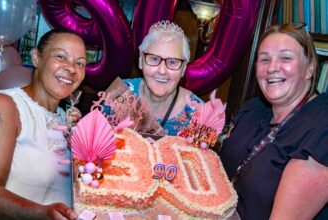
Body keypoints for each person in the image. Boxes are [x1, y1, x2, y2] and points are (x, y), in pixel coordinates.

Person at [219, 23, 328, 219]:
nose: (272, 68)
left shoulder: (322, 128)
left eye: (285, 58)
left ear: (310, 68)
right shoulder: (253, 108)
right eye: (264, 59)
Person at [0, 28, 87, 219]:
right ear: (37, 58)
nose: (71, 68)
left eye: (80, 63)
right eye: (61, 57)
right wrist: (41, 213)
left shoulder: (68, 122)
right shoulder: (7, 106)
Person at [104, 20, 203, 136]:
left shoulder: (198, 114)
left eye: (172, 62)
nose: (162, 71)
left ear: (183, 69)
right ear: (141, 61)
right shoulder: (118, 95)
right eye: (154, 59)